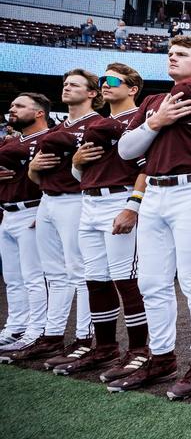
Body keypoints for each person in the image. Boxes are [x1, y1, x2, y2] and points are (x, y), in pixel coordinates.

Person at [111, 36, 191, 399]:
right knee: (151, 281)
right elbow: (126, 150)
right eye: (170, 53)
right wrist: (156, 121)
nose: (173, 57)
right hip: (155, 192)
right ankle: (161, 357)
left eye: (182, 54)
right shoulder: (151, 101)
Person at [61, 64, 150, 380]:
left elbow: (146, 167)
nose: (105, 85)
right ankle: (106, 347)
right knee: (95, 278)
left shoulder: (139, 119)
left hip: (120, 198)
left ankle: (139, 350)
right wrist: (75, 164)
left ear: (132, 88)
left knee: (126, 278)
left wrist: (133, 206)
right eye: (102, 81)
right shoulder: (98, 123)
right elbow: (83, 172)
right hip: (89, 200)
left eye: (112, 80)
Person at [16, 71, 105, 368]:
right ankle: (52, 335)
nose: (67, 88)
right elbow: (35, 174)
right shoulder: (56, 128)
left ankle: (83, 339)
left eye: (75, 85)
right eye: (65, 84)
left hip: (78, 200)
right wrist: (33, 169)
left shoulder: (97, 124)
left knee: (80, 272)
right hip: (48, 200)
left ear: (92, 93)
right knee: (54, 273)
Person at [0, 93, 52, 361]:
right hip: (8, 212)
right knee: (13, 278)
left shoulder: (48, 139)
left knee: (34, 277)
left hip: (33, 209)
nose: (13, 109)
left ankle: (37, 329)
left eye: (19, 106)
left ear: (39, 112)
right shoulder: (12, 141)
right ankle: (15, 327)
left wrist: (46, 209)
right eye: (12, 105)